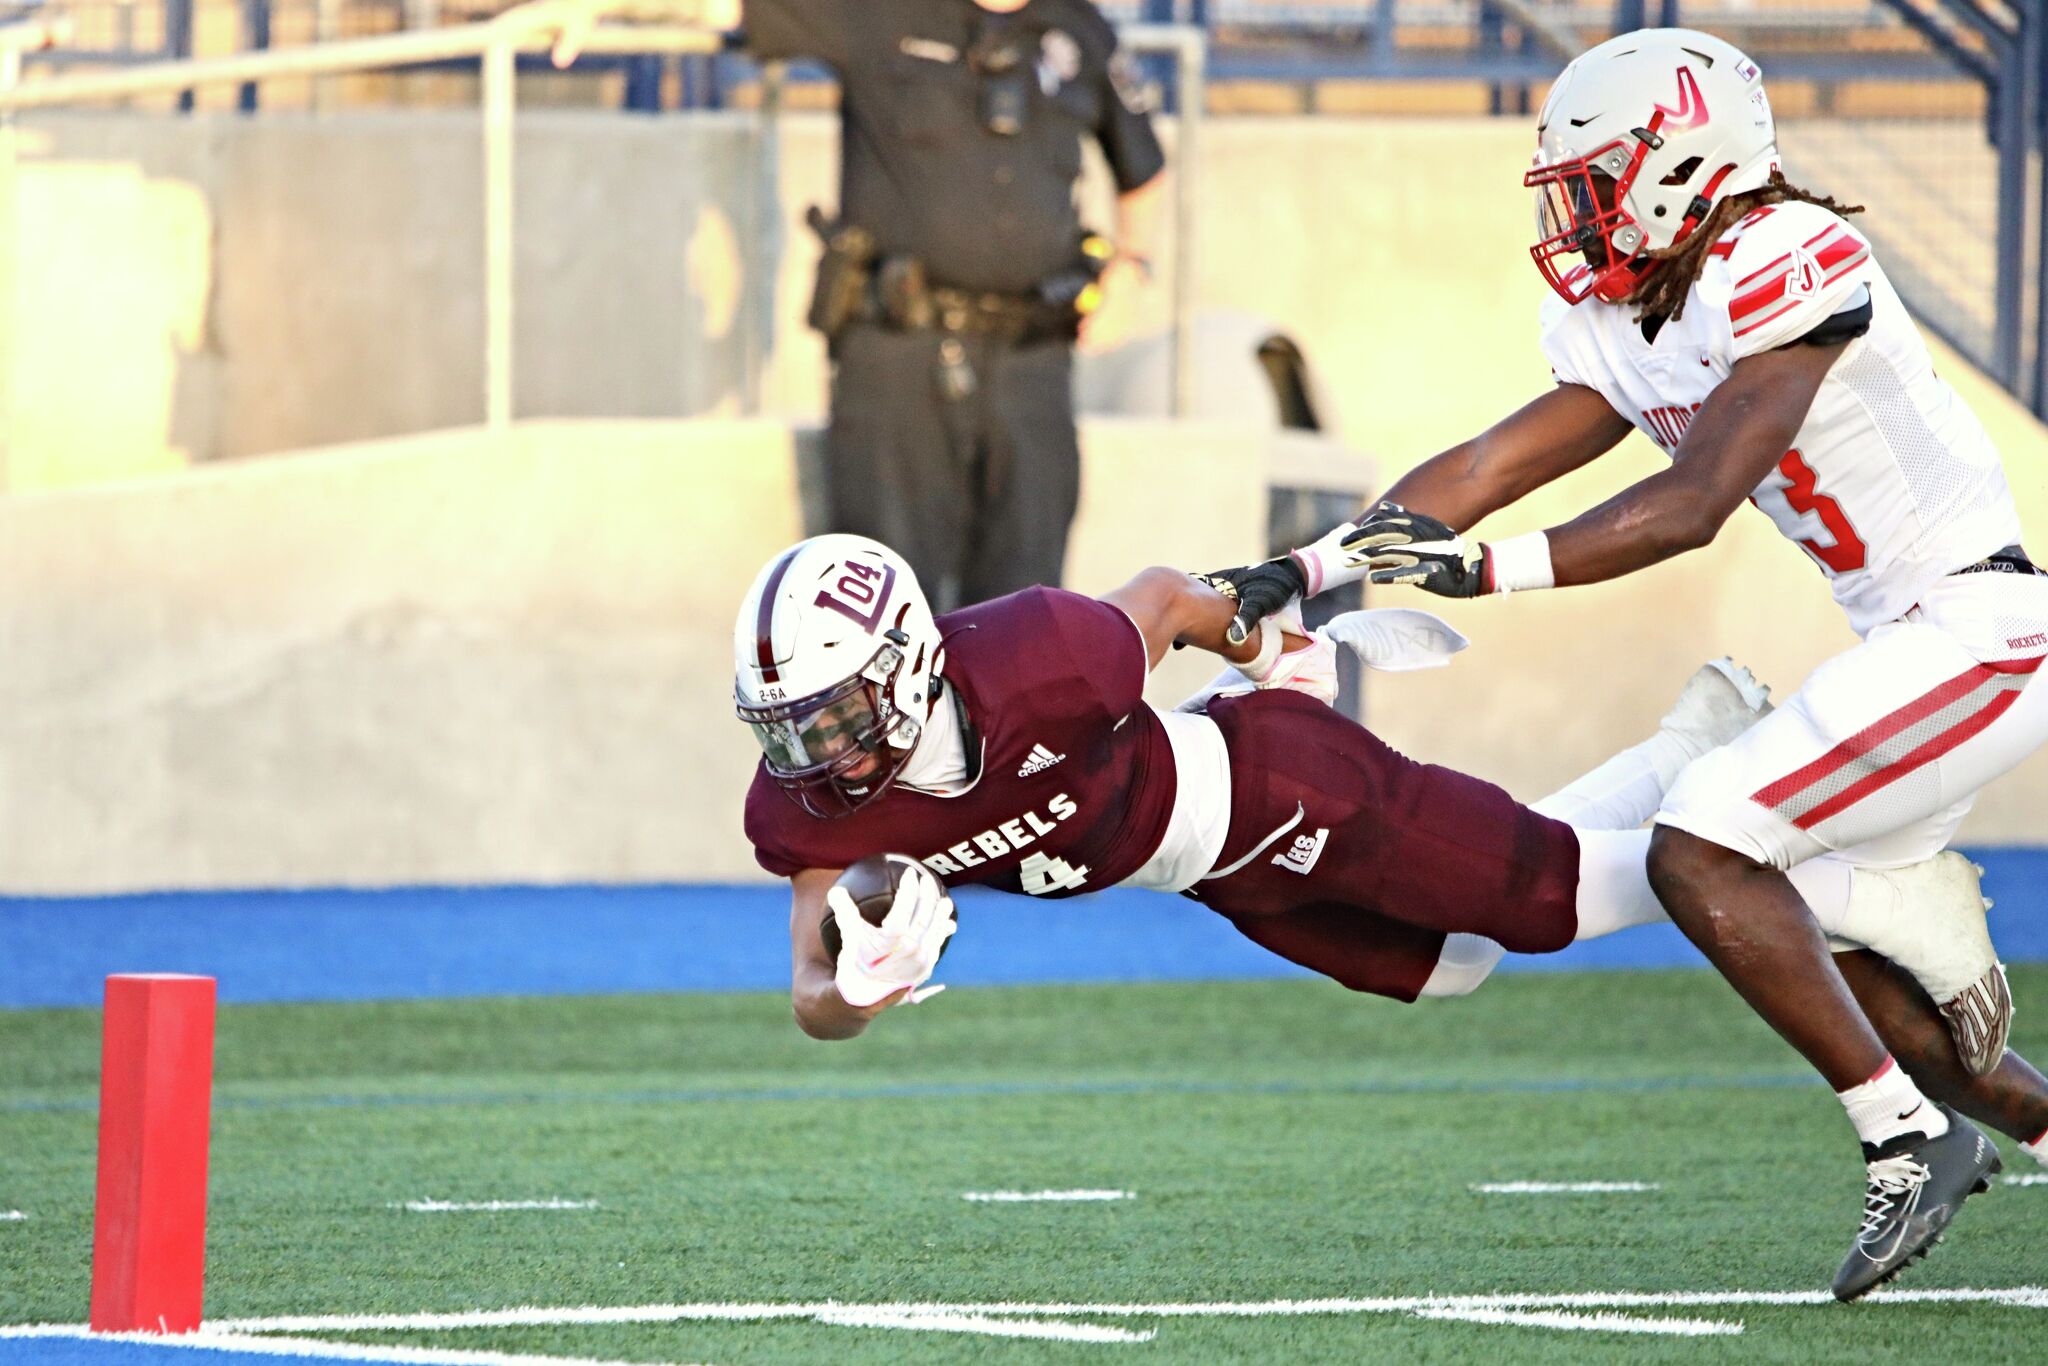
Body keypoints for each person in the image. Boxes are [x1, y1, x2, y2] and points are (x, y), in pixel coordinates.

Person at [1207, 27, 2043, 1299]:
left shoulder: (1784, 256)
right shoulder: (1635, 306)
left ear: (1679, 167)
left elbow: (1693, 499)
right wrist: (1313, 566)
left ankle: (1901, 1144)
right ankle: (1959, 1069)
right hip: (1908, 646)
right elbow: (1483, 468)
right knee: (1855, 985)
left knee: (1698, 839)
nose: (1577, 216)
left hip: (1982, 634)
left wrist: (1484, 575)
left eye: (1594, 182)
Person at [732, 533, 2048, 1208]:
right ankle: (1683, 755)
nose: (814, 752)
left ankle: (1856, 889)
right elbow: (807, 985)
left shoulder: (1040, 658)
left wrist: (1277, 656)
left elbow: (1163, 600)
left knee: (1550, 903)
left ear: (908, 662)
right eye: (789, 727)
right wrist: (865, 984)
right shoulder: (813, 803)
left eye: (833, 716)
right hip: (1214, 873)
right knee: (1455, 966)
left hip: (1265, 780)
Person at [570, 0, 1164, 612]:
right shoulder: (878, 10)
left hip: (1031, 362)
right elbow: (725, 7)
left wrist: (1133, 267)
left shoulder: (1082, 30)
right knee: (880, 613)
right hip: (896, 359)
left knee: (1027, 617)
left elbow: (1143, 167)